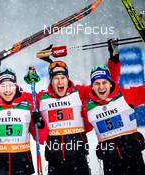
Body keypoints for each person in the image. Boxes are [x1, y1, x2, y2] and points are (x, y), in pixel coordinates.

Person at [35, 40, 121, 175]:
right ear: (51, 81)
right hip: (54, 163)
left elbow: (106, 87)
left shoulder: (79, 92)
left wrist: (114, 61)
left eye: (62, 78)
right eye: (56, 79)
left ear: (67, 79)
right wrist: (1, 79)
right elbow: (12, 96)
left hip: (78, 161)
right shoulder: (42, 97)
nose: (59, 82)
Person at [83, 65, 145, 175]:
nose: (101, 87)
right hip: (111, 162)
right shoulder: (87, 107)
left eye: (104, 82)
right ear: (92, 86)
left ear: (110, 83)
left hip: (133, 158)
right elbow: (83, 128)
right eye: (97, 83)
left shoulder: (125, 95)